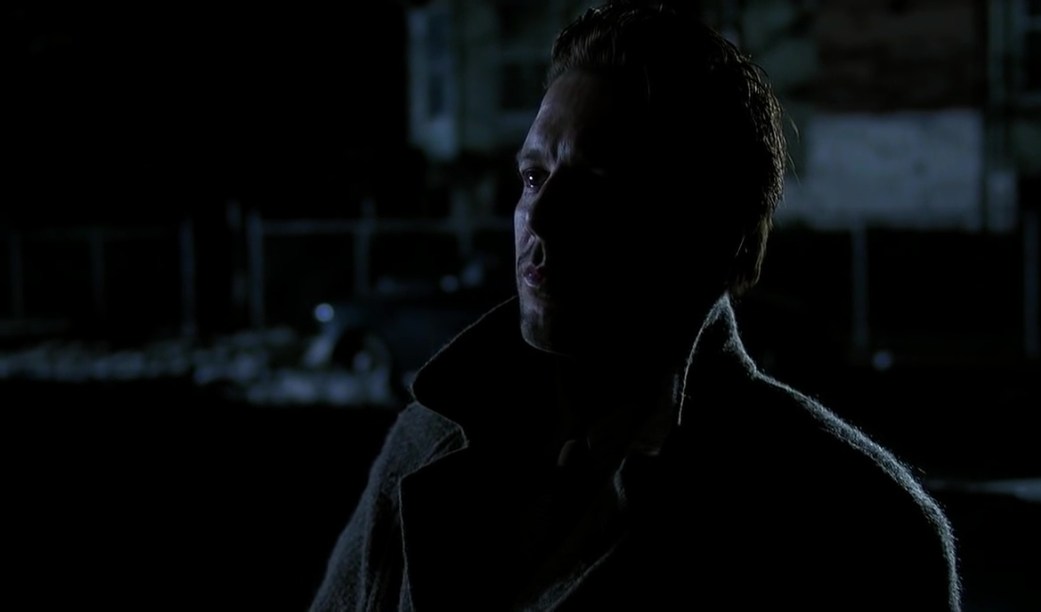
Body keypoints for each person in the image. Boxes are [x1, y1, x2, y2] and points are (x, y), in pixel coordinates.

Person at [310, 1, 961, 610]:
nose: (542, 216)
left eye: (597, 185)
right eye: (534, 176)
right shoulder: (430, 440)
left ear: (711, 230)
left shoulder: (854, 521)